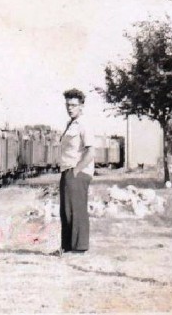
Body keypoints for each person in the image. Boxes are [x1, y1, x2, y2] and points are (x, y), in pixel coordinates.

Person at [59, 88, 95, 254]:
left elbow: (90, 152)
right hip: (67, 170)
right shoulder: (70, 124)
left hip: (77, 172)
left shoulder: (84, 124)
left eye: (73, 105)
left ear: (82, 106)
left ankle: (79, 248)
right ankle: (67, 247)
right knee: (66, 210)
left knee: (76, 210)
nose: (70, 108)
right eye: (68, 105)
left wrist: (77, 170)